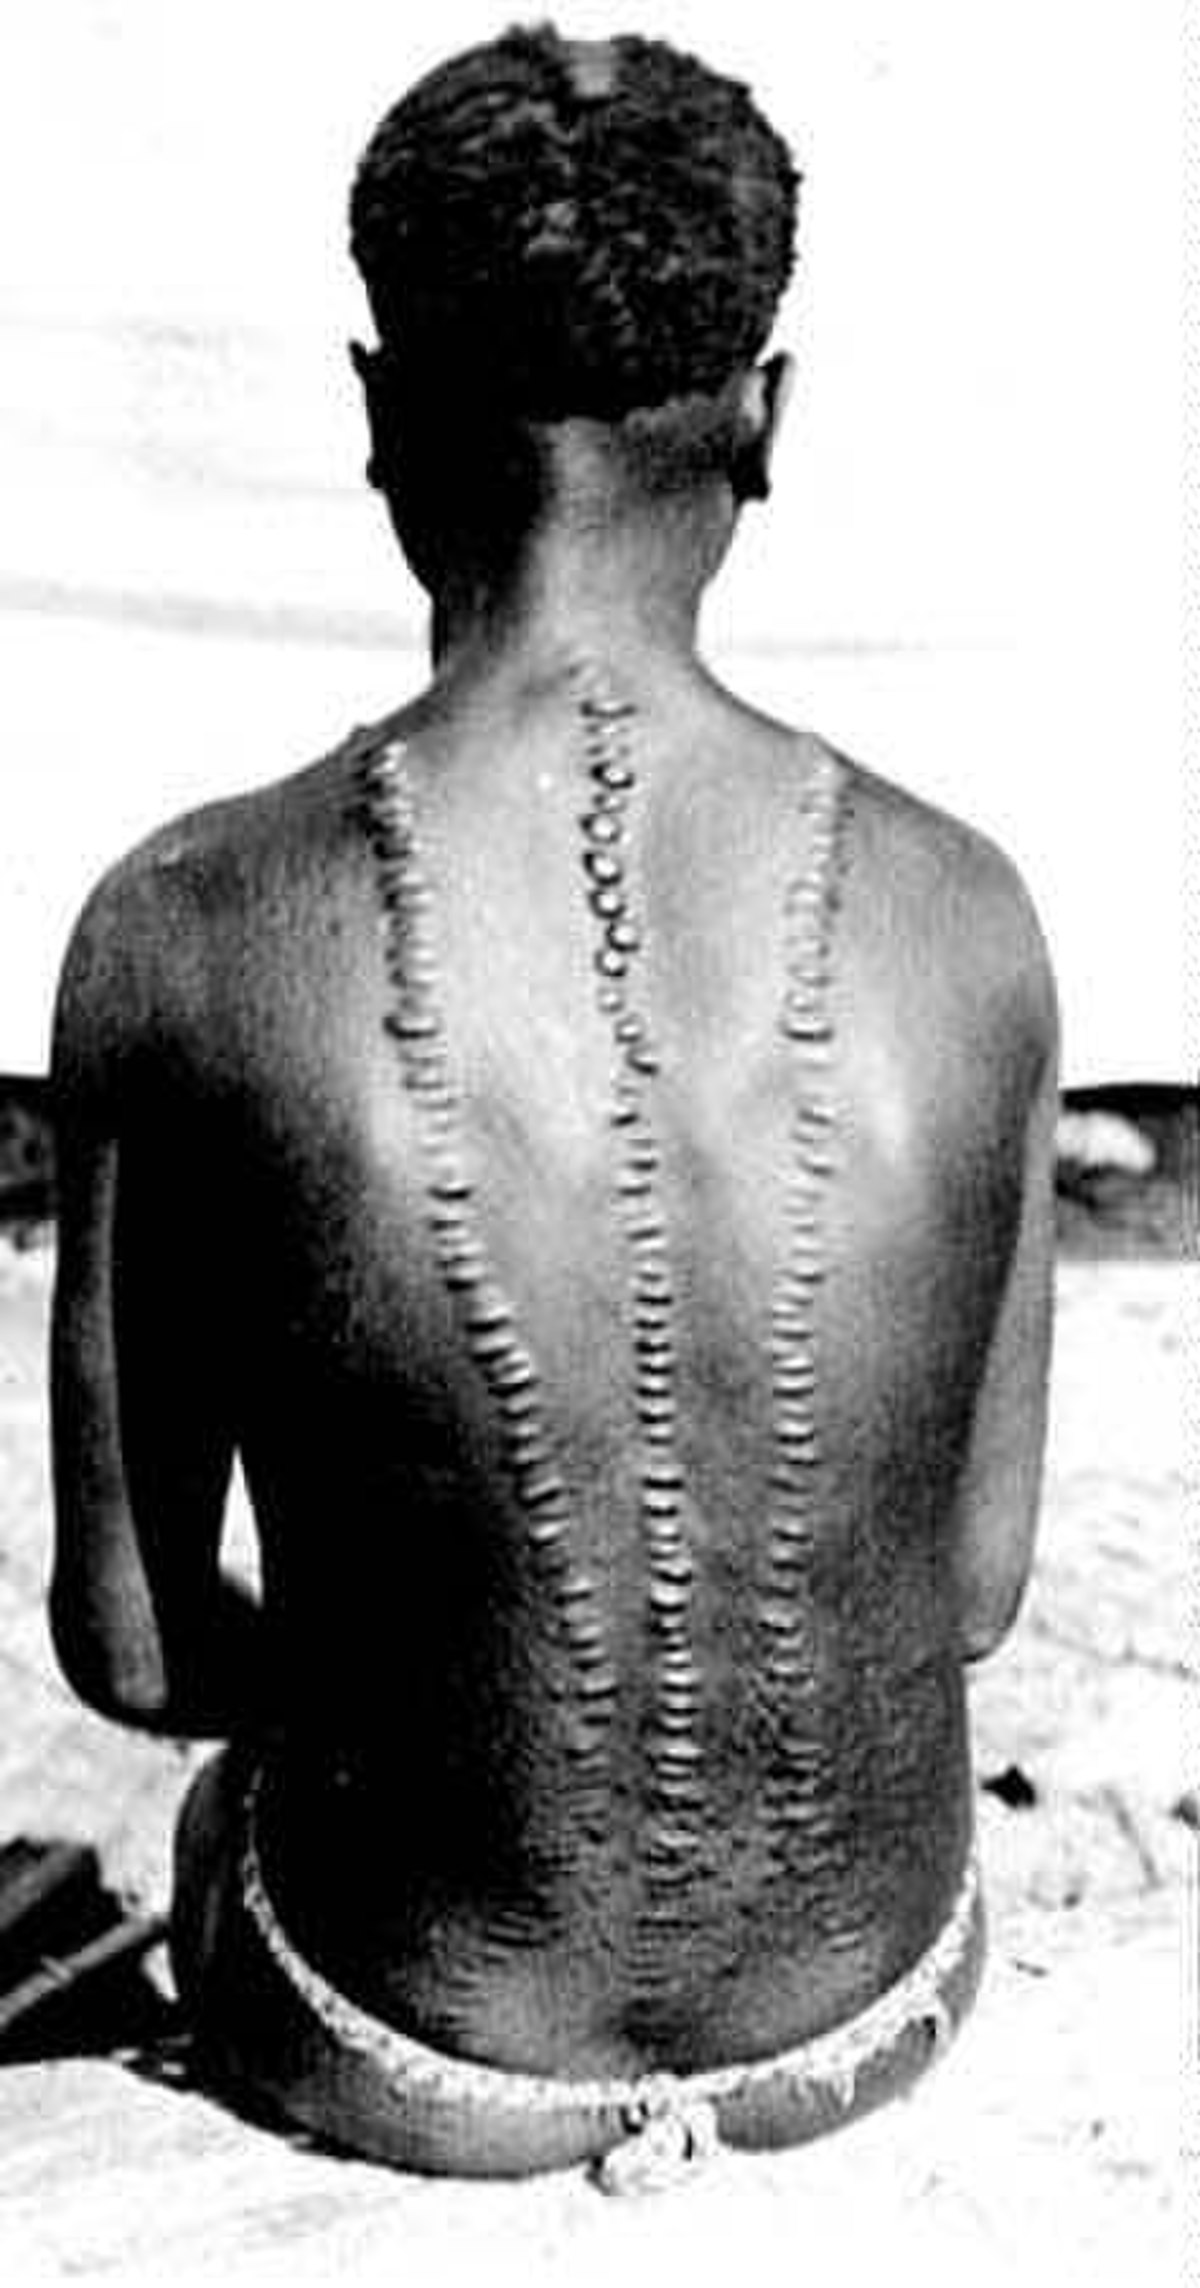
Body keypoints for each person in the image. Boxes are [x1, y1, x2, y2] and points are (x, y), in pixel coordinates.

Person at [47, 25, 1058, 2186]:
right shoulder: (968, 913)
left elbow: (136, 1647)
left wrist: (449, 1696)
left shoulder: (187, 922)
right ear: (768, 418)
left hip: (400, 2044)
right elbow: (970, 1595)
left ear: (378, 415)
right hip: (871, 2015)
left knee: (236, 1815)